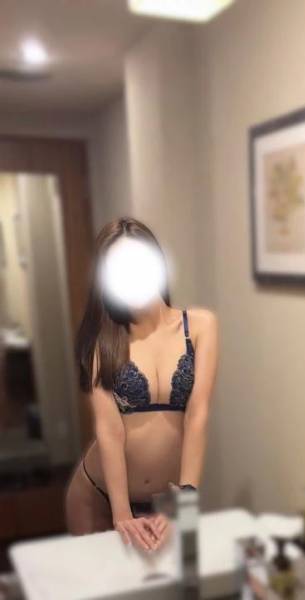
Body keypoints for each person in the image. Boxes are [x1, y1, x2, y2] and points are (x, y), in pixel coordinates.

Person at [64, 217, 219, 552]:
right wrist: (121, 513)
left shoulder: (201, 326)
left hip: (168, 500)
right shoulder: (101, 339)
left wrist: (186, 498)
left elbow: (198, 414)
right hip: (98, 496)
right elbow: (109, 430)